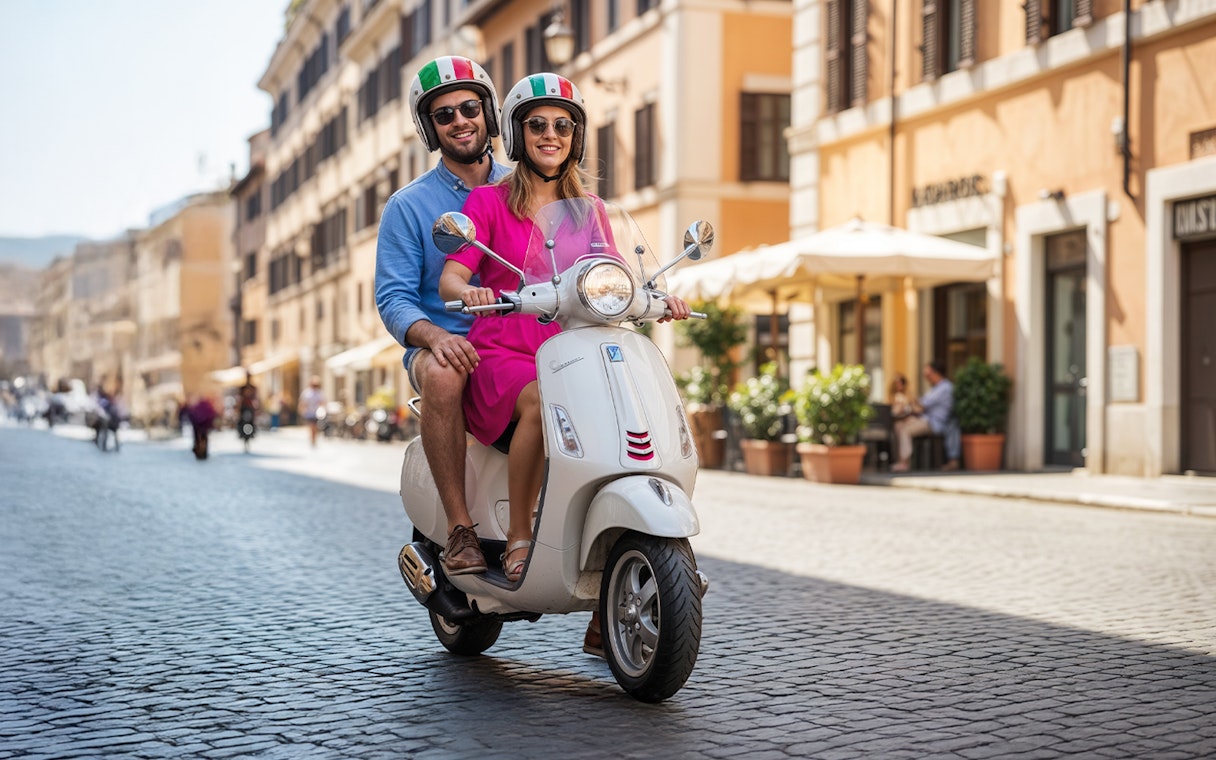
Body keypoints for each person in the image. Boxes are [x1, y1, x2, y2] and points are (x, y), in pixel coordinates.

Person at [439, 73, 692, 655]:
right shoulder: (489, 201)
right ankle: (523, 534)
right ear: (517, 133)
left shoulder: (591, 212)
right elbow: (453, 273)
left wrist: (659, 298)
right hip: (507, 354)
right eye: (537, 125)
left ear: (575, 136)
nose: (550, 135)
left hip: (576, 350)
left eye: (563, 125)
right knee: (538, 399)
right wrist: (470, 289)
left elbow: (612, 278)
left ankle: (613, 561)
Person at [375, 56, 510, 578]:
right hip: (446, 340)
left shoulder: (524, 188)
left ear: (489, 112)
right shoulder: (408, 207)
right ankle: (460, 530)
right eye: (444, 114)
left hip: (516, 340)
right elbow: (393, 298)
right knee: (444, 368)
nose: (460, 121)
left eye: (469, 108)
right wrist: (432, 336)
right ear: (430, 129)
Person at [891, 360, 960, 472]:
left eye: (928, 375)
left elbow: (921, 405)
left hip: (935, 423)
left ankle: (904, 463)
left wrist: (909, 394)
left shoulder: (945, 387)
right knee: (899, 425)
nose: (926, 378)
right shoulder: (935, 388)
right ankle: (900, 460)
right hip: (926, 420)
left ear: (936, 373)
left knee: (905, 429)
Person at [186, 394, 218, 460]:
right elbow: (212, 414)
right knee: (204, 439)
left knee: (198, 439)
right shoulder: (207, 406)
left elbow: (191, 414)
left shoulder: (196, 406)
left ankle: (199, 452)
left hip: (197, 426)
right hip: (204, 426)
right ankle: (204, 452)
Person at [298, 376, 325, 447]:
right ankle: (312, 438)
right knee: (311, 425)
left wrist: (322, 409)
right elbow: (303, 402)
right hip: (309, 412)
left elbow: (322, 402)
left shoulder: (319, 392)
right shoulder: (307, 392)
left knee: (315, 426)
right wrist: (302, 410)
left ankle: (314, 437)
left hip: (317, 413)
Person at [237, 372, 259, 443]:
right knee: (240, 420)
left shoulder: (253, 387)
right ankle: (240, 432)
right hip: (244, 407)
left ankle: (252, 432)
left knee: (252, 420)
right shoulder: (242, 388)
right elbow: (239, 397)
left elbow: (255, 398)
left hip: (250, 407)